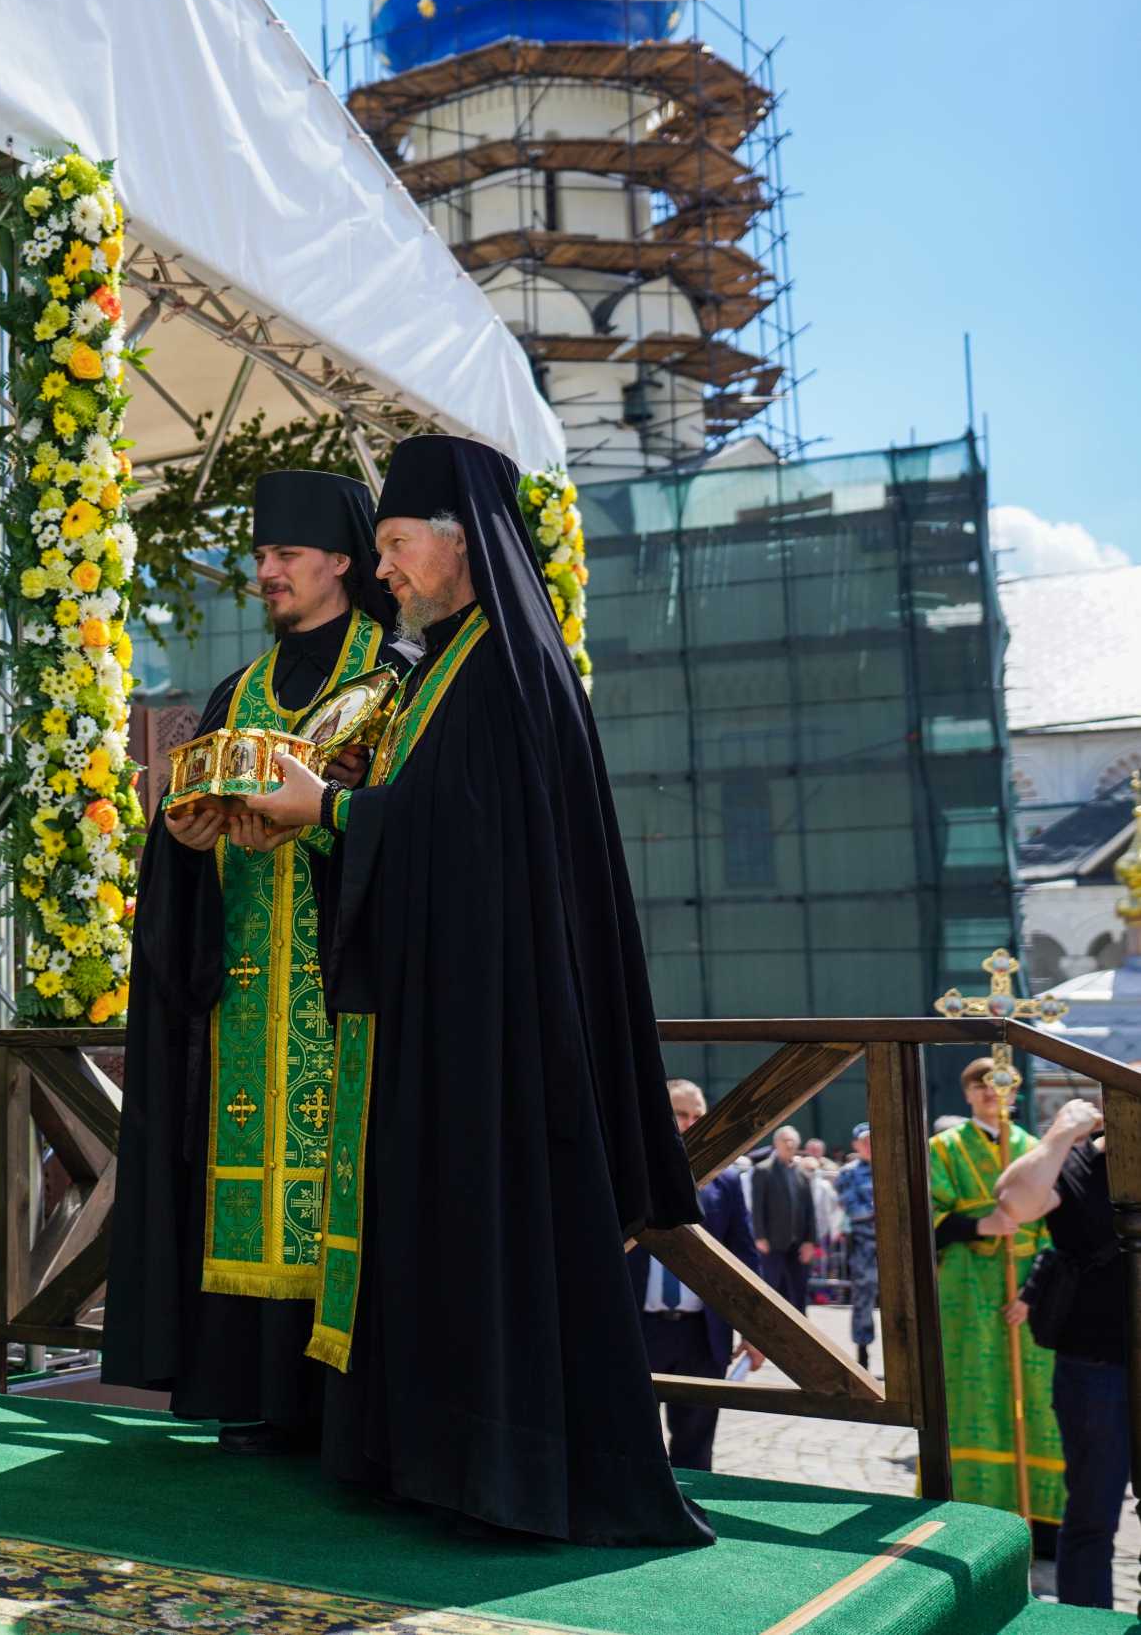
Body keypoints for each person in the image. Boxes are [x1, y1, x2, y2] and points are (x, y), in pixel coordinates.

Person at [244, 433, 710, 1546]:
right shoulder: (447, 663)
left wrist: (336, 813)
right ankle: (424, 1457)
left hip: (499, 1030)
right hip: (443, 1011)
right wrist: (335, 807)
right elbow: (432, 823)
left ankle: (498, 1466)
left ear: (459, 545)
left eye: (398, 544)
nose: (386, 566)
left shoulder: (502, 669)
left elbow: (471, 842)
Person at [101, 468, 397, 1455]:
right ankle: (253, 1391)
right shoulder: (240, 690)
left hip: (346, 996)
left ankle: (344, 1407)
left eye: (285, 556)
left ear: (344, 564)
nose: (265, 571)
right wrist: (181, 845)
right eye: (262, 555)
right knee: (241, 1179)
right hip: (241, 1001)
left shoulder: (390, 680)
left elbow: (409, 838)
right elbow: (189, 832)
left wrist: (319, 824)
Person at [995, 1097, 1124, 1611]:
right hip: (1095, 1367)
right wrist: (1060, 1132)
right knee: (1093, 1514)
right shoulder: (1073, 1162)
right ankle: (1087, 1624)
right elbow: (1014, 1205)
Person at [927, 1058, 1065, 1537]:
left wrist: (1032, 1294)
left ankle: (1041, 1518)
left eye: (1000, 1084)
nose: (991, 1093)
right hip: (966, 1288)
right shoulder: (943, 1149)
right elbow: (921, 1211)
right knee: (972, 1391)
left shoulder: (1035, 1149)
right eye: (980, 1085)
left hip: (1025, 1291)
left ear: (1015, 1090)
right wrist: (977, 1225)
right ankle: (968, 1510)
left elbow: (1056, 1232)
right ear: (966, 1093)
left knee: (1034, 1397)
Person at [628, 1080, 764, 1471]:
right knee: (635, 1444)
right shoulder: (628, 1174)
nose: (690, 1124)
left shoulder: (727, 1182)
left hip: (702, 1336)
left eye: (698, 1116)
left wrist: (756, 1329)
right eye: (680, 1115)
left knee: (695, 1447)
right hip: (639, 1328)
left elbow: (744, 1257)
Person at [750, 1125, 818, 1308]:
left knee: (798, 1293)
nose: (789, 1144)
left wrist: (810, 1241)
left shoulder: (802, 1173)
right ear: (776, 1143)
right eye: (785, 1140)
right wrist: (760, 1236)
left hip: (798, 1245)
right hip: (772, 1243)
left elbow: (810, 1210)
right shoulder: (763, 1170)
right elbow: (757, 1207)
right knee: (771, 1291)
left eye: (792, 1141)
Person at [836, 1124, 878, 1369]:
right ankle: (863, 1352)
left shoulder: (891, 1169)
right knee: (864, 1300)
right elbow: (855, 1209)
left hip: (893, 1246)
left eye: (873, 1139)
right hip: (863, 1246)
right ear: (855, 1145)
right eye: (865, 1141)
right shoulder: (848, 1173)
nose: (870, 1145)